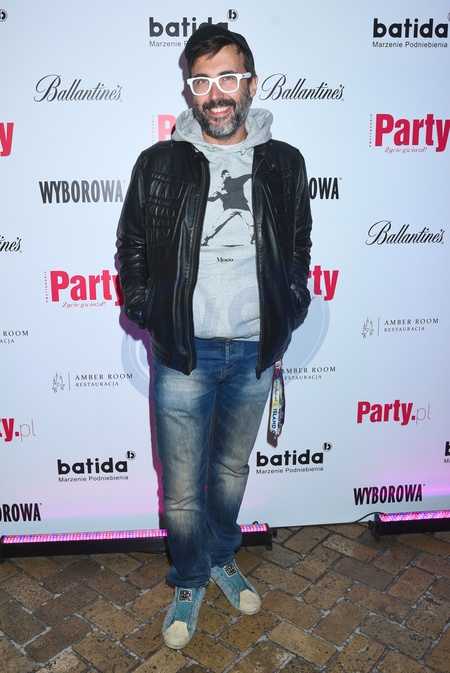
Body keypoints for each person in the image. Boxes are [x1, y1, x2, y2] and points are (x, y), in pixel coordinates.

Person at [117, 24, 312, 650]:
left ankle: (223, 557)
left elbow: (300, 246)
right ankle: (189, 578)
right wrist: (148, 309)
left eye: (227, 78)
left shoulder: (284, 163)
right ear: (190, 91)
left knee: (229, 472)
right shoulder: (159, 162)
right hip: (184, 352)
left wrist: (292, 305)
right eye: (201, 82)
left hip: (255, 351)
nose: (216, 94)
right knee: (181, 490)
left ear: (250, 83)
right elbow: (132, 247)